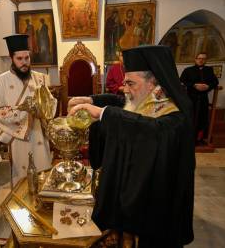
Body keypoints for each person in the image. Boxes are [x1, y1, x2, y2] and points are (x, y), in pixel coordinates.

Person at [68, 45, 195, 248]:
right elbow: (122, 104)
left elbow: (152, 130)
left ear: (153, 81)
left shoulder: (175, 114)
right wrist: (92, 100)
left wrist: (102, 114)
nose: (125, 89)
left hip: (157, 206)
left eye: (130, 83)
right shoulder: (147, 98)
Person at [0, 34, 57, 185]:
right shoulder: (0, 82)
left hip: (38, 132)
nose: (24, 63)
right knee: (22, 176)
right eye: (20, 59)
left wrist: (44, 107)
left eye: (27, 58)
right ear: (11, 58)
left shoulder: (41, 78)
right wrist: (22, 110)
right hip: (18, 136)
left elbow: (50, 103)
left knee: (43, 172)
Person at [180, 52, 219, 145]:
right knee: (190, 117)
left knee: (202, 118)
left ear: (205, 60)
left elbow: (215, 82)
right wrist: (194, 85)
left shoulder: (209, 70)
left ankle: (199, 139)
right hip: (191, 97)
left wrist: (208, 86)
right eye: (199, 58)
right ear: (195, 59)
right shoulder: (188, 70)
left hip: (203, 98)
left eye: (203, 59)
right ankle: (188, 139)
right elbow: (182, 81)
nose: (201, 60)